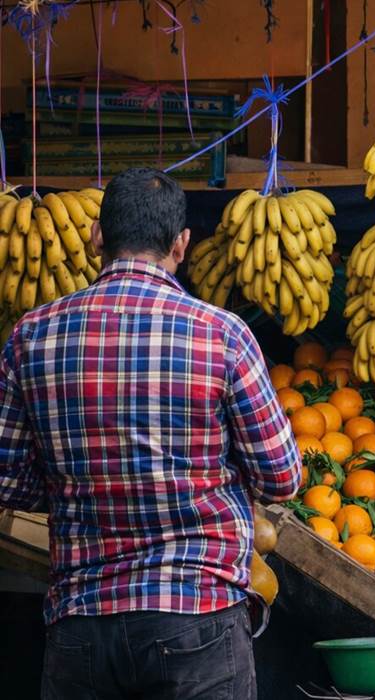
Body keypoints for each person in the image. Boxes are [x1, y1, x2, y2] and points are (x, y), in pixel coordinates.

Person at [0, 168, 301, 700]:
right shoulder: (223, 335)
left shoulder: (31, 336)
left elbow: (8, 483)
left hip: (82, 620)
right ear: (181, 244)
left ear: (96, 236)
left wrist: (81, 484)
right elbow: (281, 479)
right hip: (198, 616)